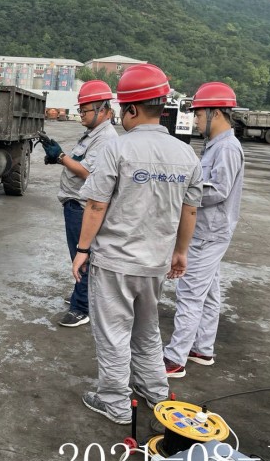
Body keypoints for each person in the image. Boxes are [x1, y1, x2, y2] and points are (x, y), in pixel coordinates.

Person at [71, 63, 203, 425]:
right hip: (156, 262)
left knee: (114, 333)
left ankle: (114, 401)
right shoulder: (186, 154)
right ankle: (155, 391)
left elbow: (96, 205)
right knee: (146, 329)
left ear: (131, 109)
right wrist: (180, 252)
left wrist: (82, 250)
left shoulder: (118, 148)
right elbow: (190, 210)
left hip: (116, 261)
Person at [163, 83, 244, 378]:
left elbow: (218, 190)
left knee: (190, 294)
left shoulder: (227, 148)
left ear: (215, 113)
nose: (195, 120)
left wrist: (182, 192)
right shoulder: (216, 145)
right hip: (212, 230)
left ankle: (175, 359)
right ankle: (202, 348)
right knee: (209, 292)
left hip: (208, 233)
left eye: (198, 114)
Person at [42, 80, 118, 328]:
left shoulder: (105, 138)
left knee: (83, 255)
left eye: (85, 110)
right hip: (75, 202)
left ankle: (81, 307)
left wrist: (61, 156)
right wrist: (59, 158)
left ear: (103, 110)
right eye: (81, 110)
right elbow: (78, 161)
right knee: (79, 255)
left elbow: (87, 173)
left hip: (83, 205)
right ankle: (81, 294)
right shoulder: (92, 134)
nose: (81, 114)